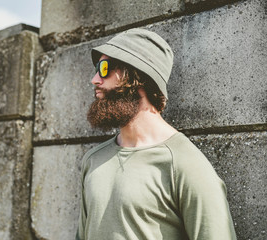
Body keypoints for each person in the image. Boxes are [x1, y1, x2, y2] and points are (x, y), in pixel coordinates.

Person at [76, 28, 236, 240]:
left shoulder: (186, 166)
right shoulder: (93, 160)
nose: (95, 79)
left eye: (104, 68)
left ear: (138, 76)